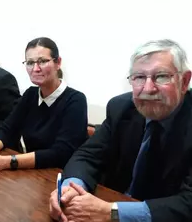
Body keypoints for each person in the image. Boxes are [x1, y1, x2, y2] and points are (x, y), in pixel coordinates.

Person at [49, 39, 192, 222]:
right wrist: (70, 190)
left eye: (162, 76)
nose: (148, 88)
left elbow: (188, 202)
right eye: (139, 77)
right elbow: (87, 156)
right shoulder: (121, 108)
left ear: (184, 80)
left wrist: (112, 211)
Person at [0, 37, 88, 172]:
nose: (36, 68)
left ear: (58, 62)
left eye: (43, 61)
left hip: (61, 177)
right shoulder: (30, 95)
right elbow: (6, 129)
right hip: (32, 173)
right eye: (30, 63)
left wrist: (6, 162)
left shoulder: (75, 100)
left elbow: (61, 153)